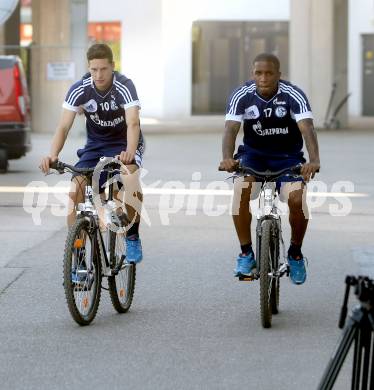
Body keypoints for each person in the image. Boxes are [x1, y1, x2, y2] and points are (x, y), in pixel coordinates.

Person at [219, 53, 320, 285]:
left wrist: (313, 160)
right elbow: (230, 129)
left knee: (296, 199)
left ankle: (295, 253)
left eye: (269, 73)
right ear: (252, 74)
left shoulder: (293, 94)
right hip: (253, 157)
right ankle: (246, 254)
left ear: (278, 75)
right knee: (240, 191)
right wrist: (227, 158)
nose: (263, 78)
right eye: (258, 73)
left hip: (287, 158)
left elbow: (307, 128)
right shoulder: (242, 95)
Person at [40, 43, 144, 264]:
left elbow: (133, 123)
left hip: (124, 143)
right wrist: (53, 155)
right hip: (96, 145)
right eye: (93, 69)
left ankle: (133, 235)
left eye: (103, 69)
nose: (98, 75)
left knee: (128, 178)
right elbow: (63, 127)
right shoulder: (80, 88)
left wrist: (130, 154)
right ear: (89, 68)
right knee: (74, 192)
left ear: (112, 67)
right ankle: (77, 256)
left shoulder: (124, 86)